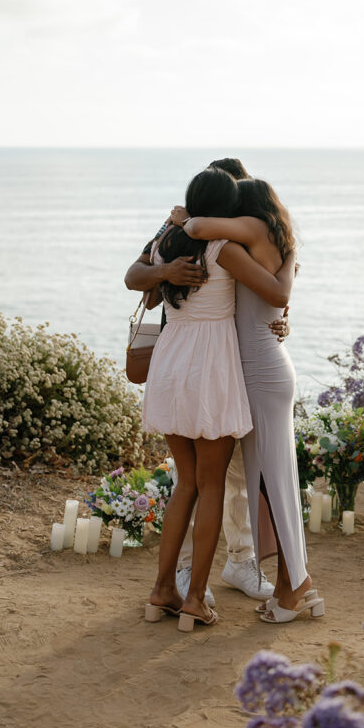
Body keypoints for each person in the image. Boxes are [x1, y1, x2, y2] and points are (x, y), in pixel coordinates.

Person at [124, 157, 286, 603]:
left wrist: (279, 322)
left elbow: (262, 308)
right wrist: (290, 255)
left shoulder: (167, 242)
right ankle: (194, 595)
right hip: (211, 368)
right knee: (212, 484)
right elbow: (276, 291)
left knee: (187, 482)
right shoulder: (223, 249)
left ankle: (162, 591)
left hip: (171, 365)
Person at [170, 177, 325, 623]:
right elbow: (268, 301)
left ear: (250, 210)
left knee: (271, 485)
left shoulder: (250, 232)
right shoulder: (269, 239)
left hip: (261, 374)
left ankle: (298, 588)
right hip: (263, 370)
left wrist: (183, 219)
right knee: (269, 483)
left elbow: (200, 228)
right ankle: (294, 585)